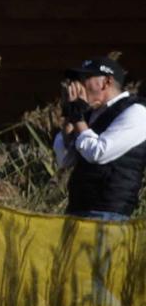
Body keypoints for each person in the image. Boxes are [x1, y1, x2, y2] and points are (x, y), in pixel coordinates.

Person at [55, 57, 146, 221]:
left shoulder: (136, 112)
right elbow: (64, 160)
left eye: (85, 79)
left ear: (106, 82)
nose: (78, 85)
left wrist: (78, 118)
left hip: (108, 213)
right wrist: (70, 117)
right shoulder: (89, 114)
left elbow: (98, 153)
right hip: (78, 208)